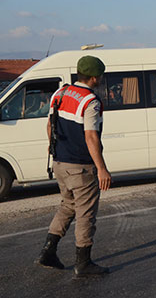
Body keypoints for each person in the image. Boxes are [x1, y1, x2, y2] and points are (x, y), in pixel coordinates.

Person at [36, 55, 111, 277]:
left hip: (60, 163)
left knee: (67, 206)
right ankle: (83, 263)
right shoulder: (90, 101)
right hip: (81, 167)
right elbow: (90, 137)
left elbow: (50, 125)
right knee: (85, 214)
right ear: (95, 78)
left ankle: (48, 252)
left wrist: (53, 149)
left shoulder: (59, 93)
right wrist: (102, 169)